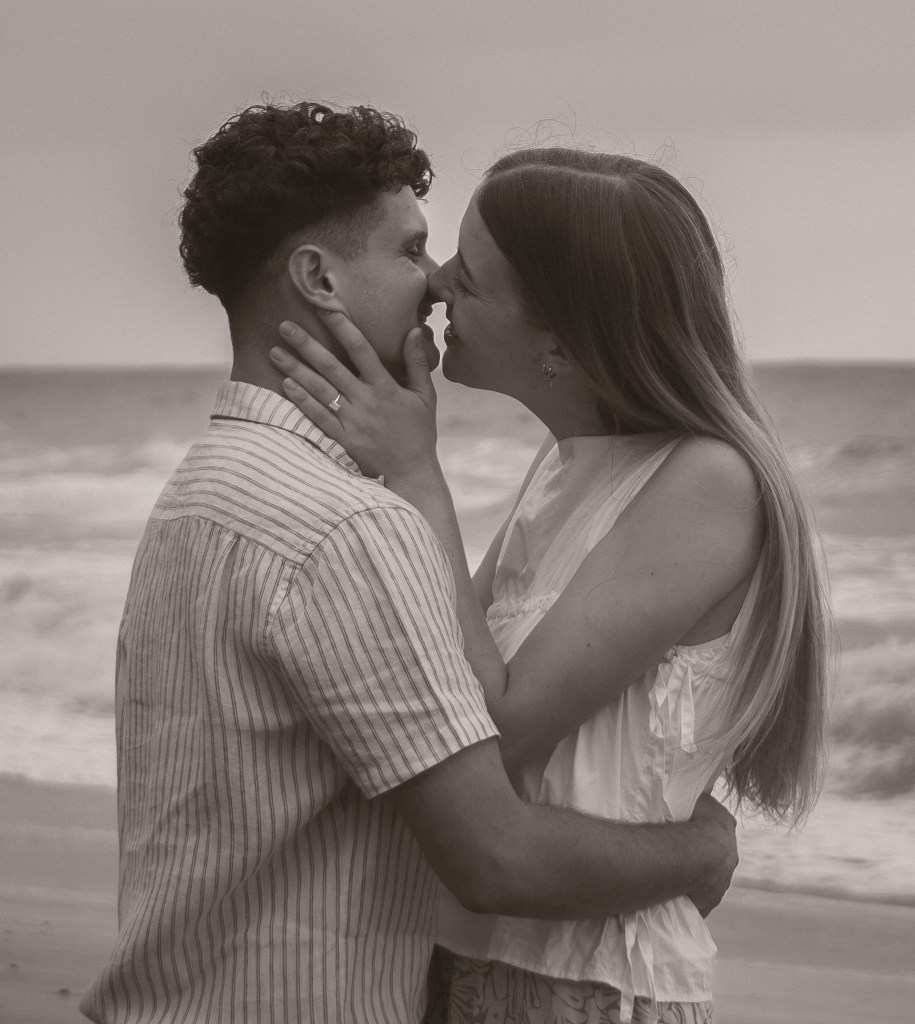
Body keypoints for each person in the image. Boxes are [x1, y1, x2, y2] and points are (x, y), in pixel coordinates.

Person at [80, 105, 739, 1024]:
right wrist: (703, 855)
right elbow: (493, 848)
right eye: (412, 252)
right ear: (316, 276)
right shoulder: (346, 527)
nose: (435, 285)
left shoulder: (204, 490)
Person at [270, 147, 829, 1023]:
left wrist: (420, 474)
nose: (437, 285)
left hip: (587, 980)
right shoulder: (563, 469)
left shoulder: (706, 481)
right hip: (463, 950)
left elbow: (492, 730)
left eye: (474, 275)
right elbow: (454, 675)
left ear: (565, 337)